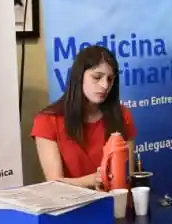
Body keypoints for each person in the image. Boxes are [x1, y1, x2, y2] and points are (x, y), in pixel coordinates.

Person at [32, 45, 136, 187]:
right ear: (79, 77)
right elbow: (54, 183)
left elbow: (126, 175)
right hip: (72, 204)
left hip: (116, 202)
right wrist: (94, 180)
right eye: (97, 77)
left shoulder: (122, 115)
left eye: (110, 79)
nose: (105, 85)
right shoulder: (48, 120)